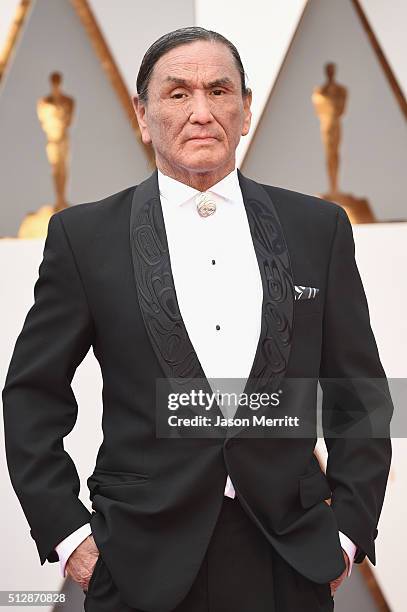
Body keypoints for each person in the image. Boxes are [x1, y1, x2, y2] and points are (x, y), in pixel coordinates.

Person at [2, 26, 392, 612]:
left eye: (219, 90)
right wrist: (69, 535)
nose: (202, 112)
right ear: (142, 112)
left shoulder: (319, 228)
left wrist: (346, 533)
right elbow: (32, 394)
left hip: (287, 555)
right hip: (136, 558)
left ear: (246, 109)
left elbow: (357, 394)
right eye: (178, 93)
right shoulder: (84, 238)